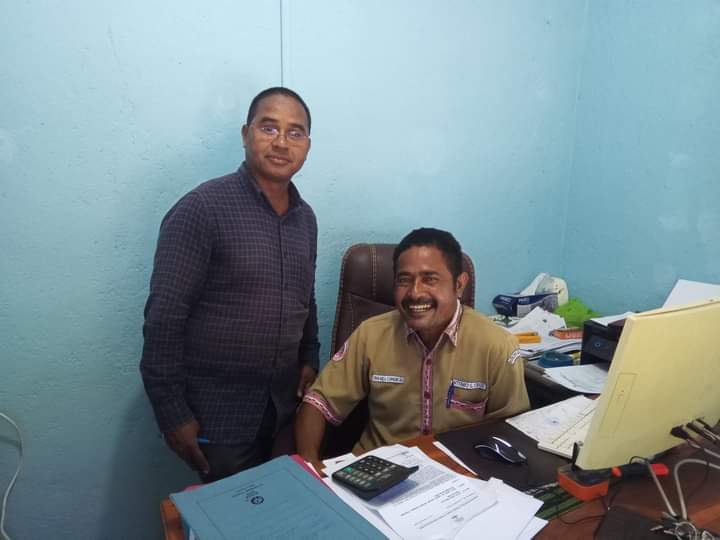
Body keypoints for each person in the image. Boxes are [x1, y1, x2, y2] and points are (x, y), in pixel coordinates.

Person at [140, 87, 319, 482]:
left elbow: (305, 298)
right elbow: (164, 318)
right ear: (245, 134)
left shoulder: (305, 219)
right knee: (228, 512)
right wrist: (172, 414)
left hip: (282, 411)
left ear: (307, 145)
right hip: (218, 418)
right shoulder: (202, 208)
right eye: (269, 128)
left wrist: (309, 356)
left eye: (295, 132)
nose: (281, 142)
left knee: (281, 507)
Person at [296, 228, 529, 465]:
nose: (415, 293)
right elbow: (317, 403)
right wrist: (312, 469)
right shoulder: (371, 334)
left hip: (459, 473)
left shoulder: (496, 345)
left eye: (430, 279)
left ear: (459, 285)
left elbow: (512, 429)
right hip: (376, 469)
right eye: (404, 280)